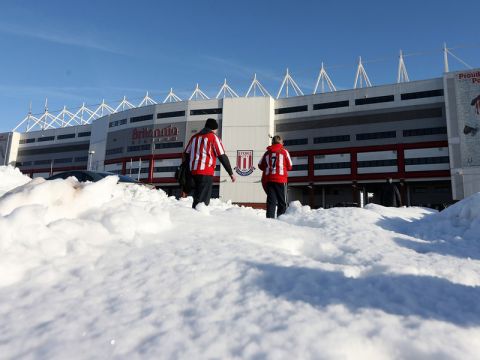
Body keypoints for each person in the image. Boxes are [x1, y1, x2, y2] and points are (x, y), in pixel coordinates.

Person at [184, 118, 236, 208]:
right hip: (206, 171)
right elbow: (222, 156)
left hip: (193, 171)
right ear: (214, 128)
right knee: (203, 200)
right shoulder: (213, 137)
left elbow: (186, 153)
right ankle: (199, 218)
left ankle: (194, 216)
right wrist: (230, 173)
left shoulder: (194, 137)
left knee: (197, 196)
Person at [258, 135, 292, 218]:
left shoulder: (267, 152)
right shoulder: (284, 151)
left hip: (269, 179)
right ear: (281, 142)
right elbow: (290, 166)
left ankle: (270, 221)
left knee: (271, 201)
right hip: (281, 179)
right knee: (282, 201)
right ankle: (282, 219)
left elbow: (260, 165)